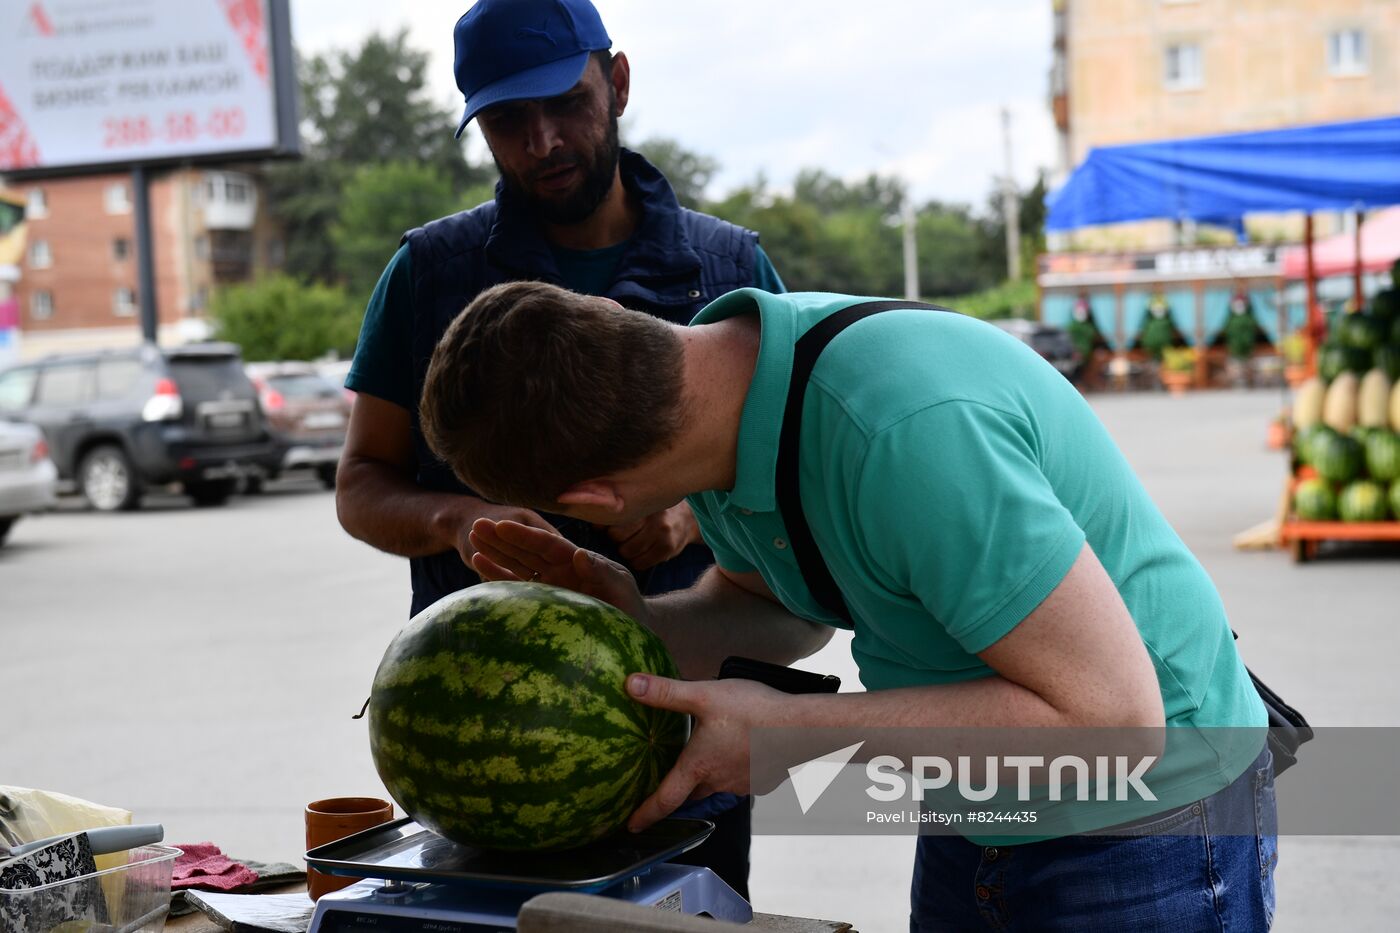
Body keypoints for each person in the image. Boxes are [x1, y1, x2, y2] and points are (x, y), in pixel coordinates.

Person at [417, 282, 1278, 930]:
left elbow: (1116, 723)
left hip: (1146, 813)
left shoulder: (901, 432)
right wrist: (639, 617)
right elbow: (790, 613)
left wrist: (792, 734)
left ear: (595, 496)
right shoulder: (712, 413)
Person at [334, 0, 783, 896]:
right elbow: (359, 485)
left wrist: (694, 518)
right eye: (507, 120)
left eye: (566, 104)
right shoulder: (428, 273)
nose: (542, 141)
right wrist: (456, 515)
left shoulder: (730, 272)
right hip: (490, 745)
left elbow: (791, 486)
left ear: (616, 81)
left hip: (687, 717)